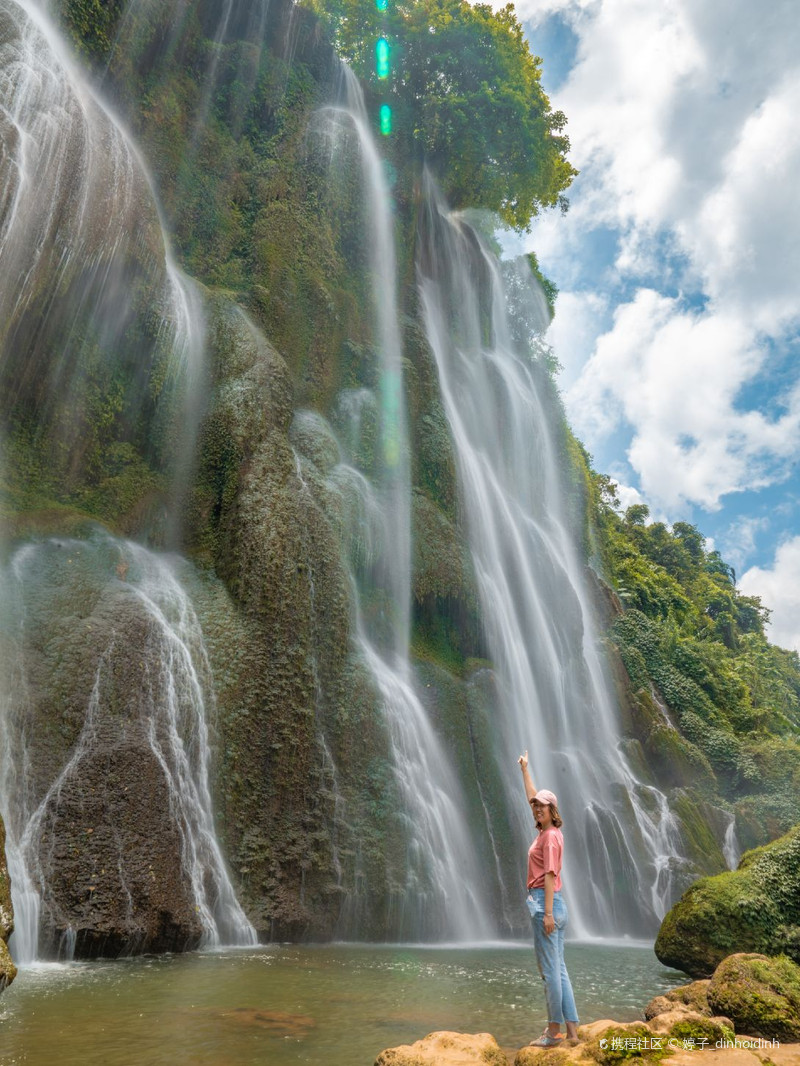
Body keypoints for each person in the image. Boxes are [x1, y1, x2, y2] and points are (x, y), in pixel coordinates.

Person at [518, 750, 579, 1048]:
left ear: (552, 810)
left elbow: (551, 875)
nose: (537, 808)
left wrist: (548, 914)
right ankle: (573, 1032)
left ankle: (553, 1032)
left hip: (547, 902)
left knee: (550, 972)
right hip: (550, 902)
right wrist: (525, 770)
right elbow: (532, 797)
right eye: (536, 806)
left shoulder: (551, 837)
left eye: (543, 806)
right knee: (560, 968)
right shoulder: (546, 832)